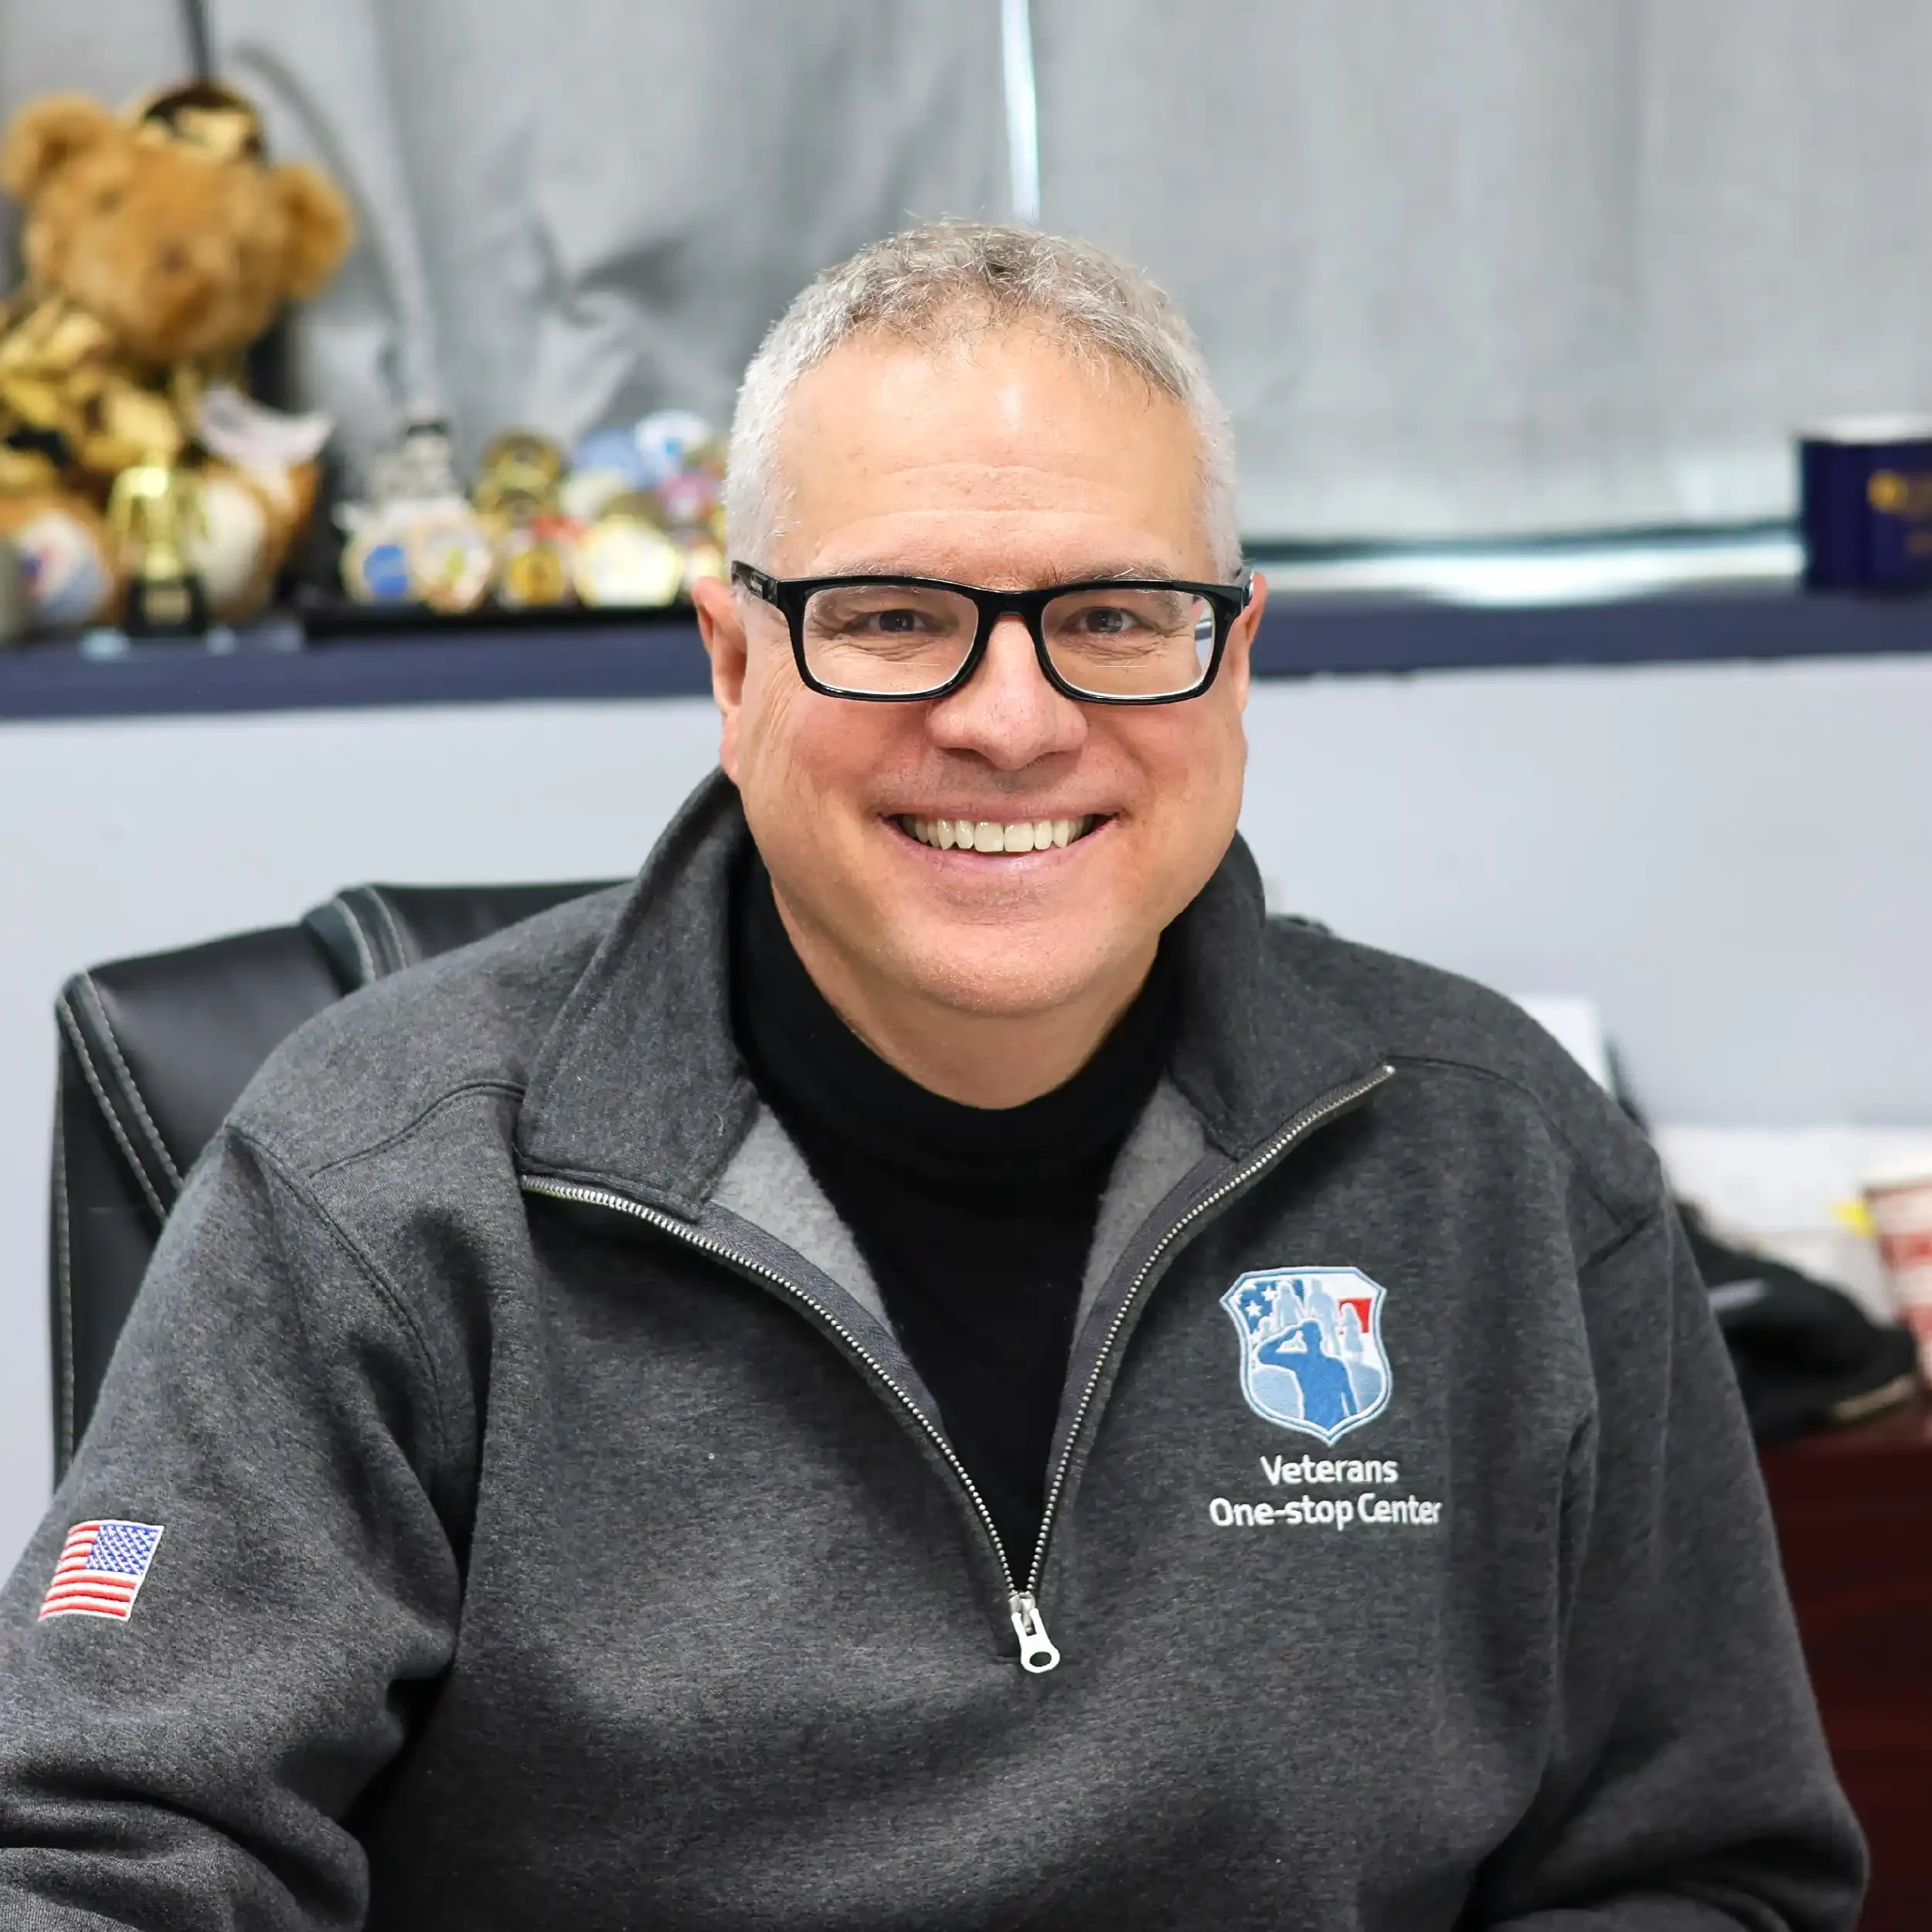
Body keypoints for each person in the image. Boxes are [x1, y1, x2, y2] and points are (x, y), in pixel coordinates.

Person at [0, 223, 1862, 1930]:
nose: (1010, 717)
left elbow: (1704, 1870)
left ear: (1230, 669)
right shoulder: (379, 1177)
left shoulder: (1503, 1163)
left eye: (1114, 619)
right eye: (892, 616)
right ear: (733, 666)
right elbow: (101, 1849)